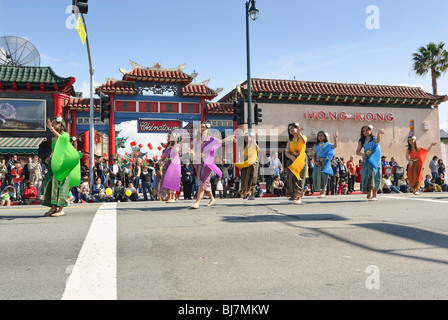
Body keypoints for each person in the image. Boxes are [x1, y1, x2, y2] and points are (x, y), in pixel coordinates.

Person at [42, 117, 81, 217]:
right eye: (53, 123)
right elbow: (55, 150)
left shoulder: (65, 135)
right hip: (55, 164)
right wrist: (49, 157)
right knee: (51, 185)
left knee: (61, 186)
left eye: (55, 123)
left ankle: (61, 209)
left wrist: (51, 129)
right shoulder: (54, 138)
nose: (53, 124)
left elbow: (62, 140)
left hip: (63, 165)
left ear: (60, 125)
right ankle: (53, 208)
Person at [190, 122, 234, 209]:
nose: (201, 129)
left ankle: (197, 202)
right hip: (199, 162)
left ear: (207, 128)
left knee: (202, 180)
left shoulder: (211, 139)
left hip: (208, 163)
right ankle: (212, 198)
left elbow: (220, 141)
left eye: (203, 127)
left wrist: (229, 138)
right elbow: (194, 151)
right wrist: (192, 153)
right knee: (204, 181)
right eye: (200, 127)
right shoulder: (198, 141)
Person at [356, 125, 384, 201]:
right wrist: (362, 154)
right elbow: (357, 152)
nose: (365, 132)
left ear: (370, 130)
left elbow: (378, 140)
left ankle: (375, 195)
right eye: (363, 131)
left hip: (374, 157)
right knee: (367, 175)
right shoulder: (361, 141)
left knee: (375, 175)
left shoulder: (374, 138)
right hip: (366, 158)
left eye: (367, 130)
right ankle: (369, 191)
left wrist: (379, 134)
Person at [284, 122, 308, 205]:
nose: (290, 130)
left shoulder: (302, 136)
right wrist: (291, 157)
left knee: (299, 178)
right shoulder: (290, 140)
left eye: (292, 128)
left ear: (297, 128)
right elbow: (286, 152)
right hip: (292, 159)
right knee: (290, 177)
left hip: (301, 159)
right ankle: (292, 194)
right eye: (289, 129)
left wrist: (299, 133)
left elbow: (304, 141)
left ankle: (299, 197)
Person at [312, 131, 338, 198]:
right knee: (315, 175)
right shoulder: (316, 145)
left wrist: (335, 139)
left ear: (324, 137)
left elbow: (335, 146)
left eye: (321, 135)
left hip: (325, 162)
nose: (320, 137)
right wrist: (315, 162)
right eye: (319, 136)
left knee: (324, 177)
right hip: (317, 162)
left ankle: (323, 191)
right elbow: (314, 154)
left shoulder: (327, 144)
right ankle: (318, 189)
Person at [158, 132, 182, 203]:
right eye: (168, 137)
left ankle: (172, 197)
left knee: (172, 180)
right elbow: (165, 157)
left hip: (173, 164)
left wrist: (176, 142)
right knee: (166, 180)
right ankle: (168, 196)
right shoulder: (168, 146)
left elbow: (176, 152)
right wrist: (160, 161)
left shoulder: (177, 145)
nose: (168, 138)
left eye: (169, 137)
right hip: (167, 164)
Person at [235, 131, 259, 200]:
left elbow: (256, 148)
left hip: (253, 163)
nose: (246, 139)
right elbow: (243, 156)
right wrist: (241, 165)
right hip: (246, 163)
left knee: (252, 178)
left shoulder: (253, 144)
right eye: (245, 138)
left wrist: (254, 138)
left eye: (247, 137)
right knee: (245, 177)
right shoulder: (245, 146)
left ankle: (251, 194)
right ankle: (246, 192)